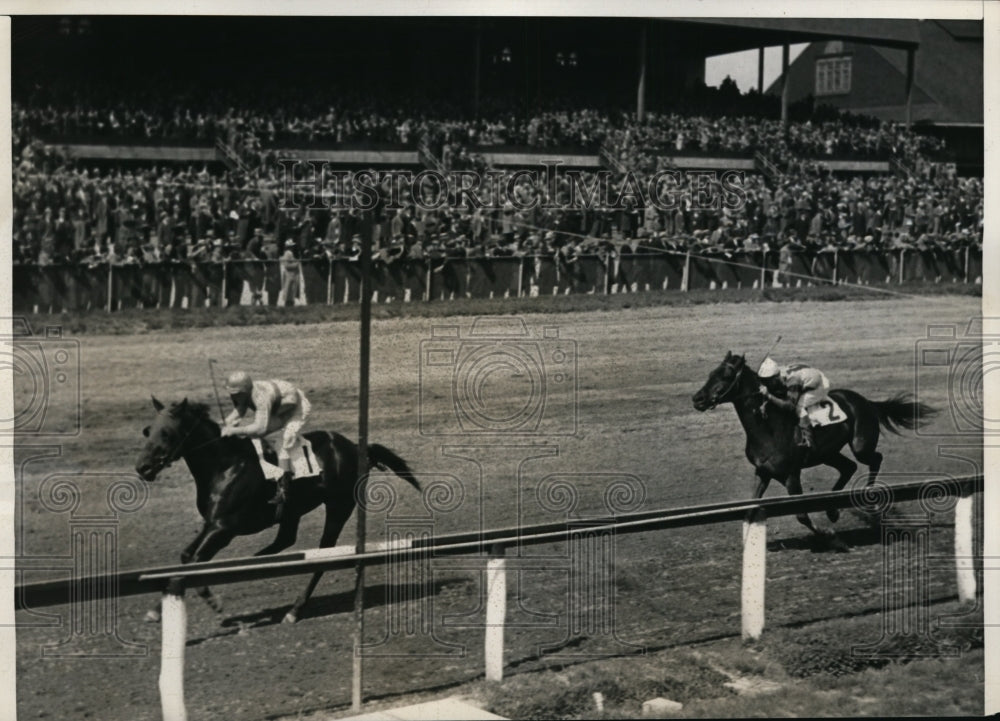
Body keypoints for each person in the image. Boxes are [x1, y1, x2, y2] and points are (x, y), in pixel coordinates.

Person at [221, 371, 312, 511]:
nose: (234, 397)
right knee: (254, 437)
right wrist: (228, 421)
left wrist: (234, 430)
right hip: (278, 405)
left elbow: (260, 429)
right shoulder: (242, 393)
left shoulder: (261, 397)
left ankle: (284, 489)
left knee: (283, 439)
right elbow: (240, 409)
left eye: (237, 394)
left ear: (246, 390)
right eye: (232, 393)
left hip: (296, 408)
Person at [756, 357, 831, 448]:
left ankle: (808, 440)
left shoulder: (792, 381)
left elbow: (790, 406)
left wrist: (769, 396)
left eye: (767, 381)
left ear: (775, 377)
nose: (766, 384)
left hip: (819, 385)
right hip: (806, 376)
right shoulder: (778, 374)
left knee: (799, 407)